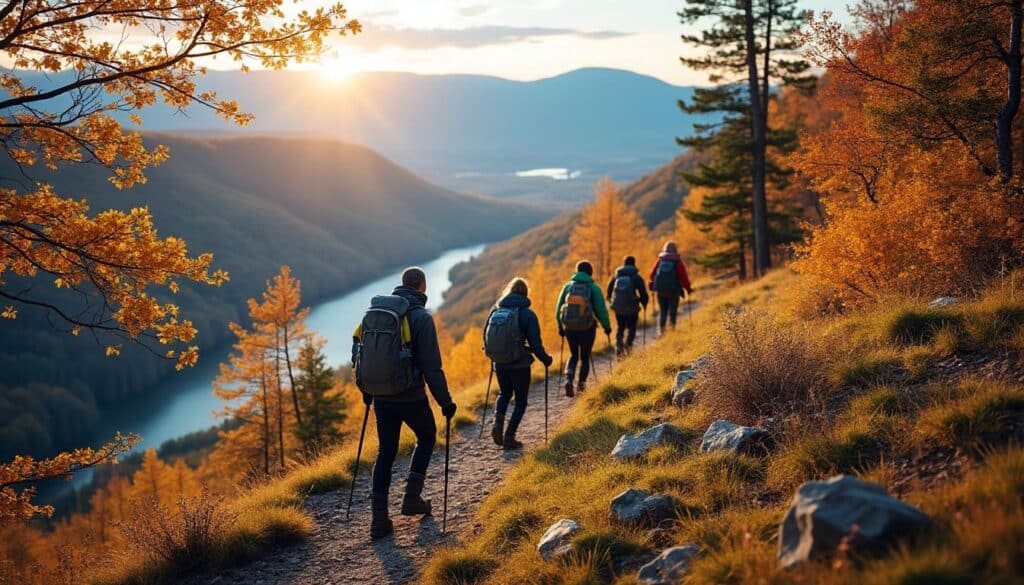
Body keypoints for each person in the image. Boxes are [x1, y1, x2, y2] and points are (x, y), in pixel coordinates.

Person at [353, 267, 458, 540]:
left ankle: (378, 520)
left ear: (401, 285)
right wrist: (445, 402)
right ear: (421, 287)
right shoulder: (422, 318)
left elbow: (359, 353)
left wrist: (366, 389)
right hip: (411, 395)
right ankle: (411, 498)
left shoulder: (373, 315)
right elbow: (432, 367)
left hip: (381, 397)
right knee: (426, 436)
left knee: (385, 452)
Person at [486, 277, 554, 450]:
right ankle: (509, 437)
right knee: (521, 401)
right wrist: (546, 360)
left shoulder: (495, 311)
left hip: (499, 363)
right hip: (519, 365)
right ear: (525, 294)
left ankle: (497, 423)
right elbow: (535, 345)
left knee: (504, 394)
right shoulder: (527, 314)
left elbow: (485, 337)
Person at [555, 260, 612, 397]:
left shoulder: (568, 287)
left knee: (574, 355)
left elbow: (558, 309)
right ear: (590, 272)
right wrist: (607, 327)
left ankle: (568, 379)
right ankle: (581, 385)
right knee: (585, 357)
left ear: (577, 271)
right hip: (587, 328)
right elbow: (600, 310)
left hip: (569, 327)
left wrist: (560, 327)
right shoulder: (593, 288)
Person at [606, 255, 649, 355]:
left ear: (624, 263)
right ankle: (628, 345)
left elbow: (609, 289)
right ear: (634, 263)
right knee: (632, 326)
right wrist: (644, 303)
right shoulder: (636, 276)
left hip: (618, 306)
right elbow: (643, 292)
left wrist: (610, 300)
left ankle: (618, 345)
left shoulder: (617, 275)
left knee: (620, 326)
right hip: (632, 306)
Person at [648, 241, 692, 333]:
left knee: (663, 310)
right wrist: (688, 288)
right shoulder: (677, 261)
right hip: (673, 290)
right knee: (673, 311)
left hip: (660, 290)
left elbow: (652, 275)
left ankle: (662, 331)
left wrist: (651, 284)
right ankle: (672, 330)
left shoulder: (660, 260)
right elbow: (683, 277)